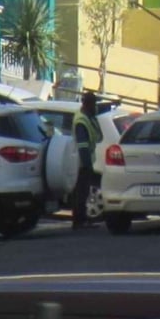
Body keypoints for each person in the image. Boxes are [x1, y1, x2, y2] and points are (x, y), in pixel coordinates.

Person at [72, 91, 103, 228]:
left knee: (83, 192)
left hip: (83, 162)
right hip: (81, 163)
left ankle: (82, 219)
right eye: (94, 104)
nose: (95, 107)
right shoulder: (81, 120)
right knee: (81, 192)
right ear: (89, 104)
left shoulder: (86, 117)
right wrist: (87, 165)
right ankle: (78, 221)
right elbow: (83, 145)